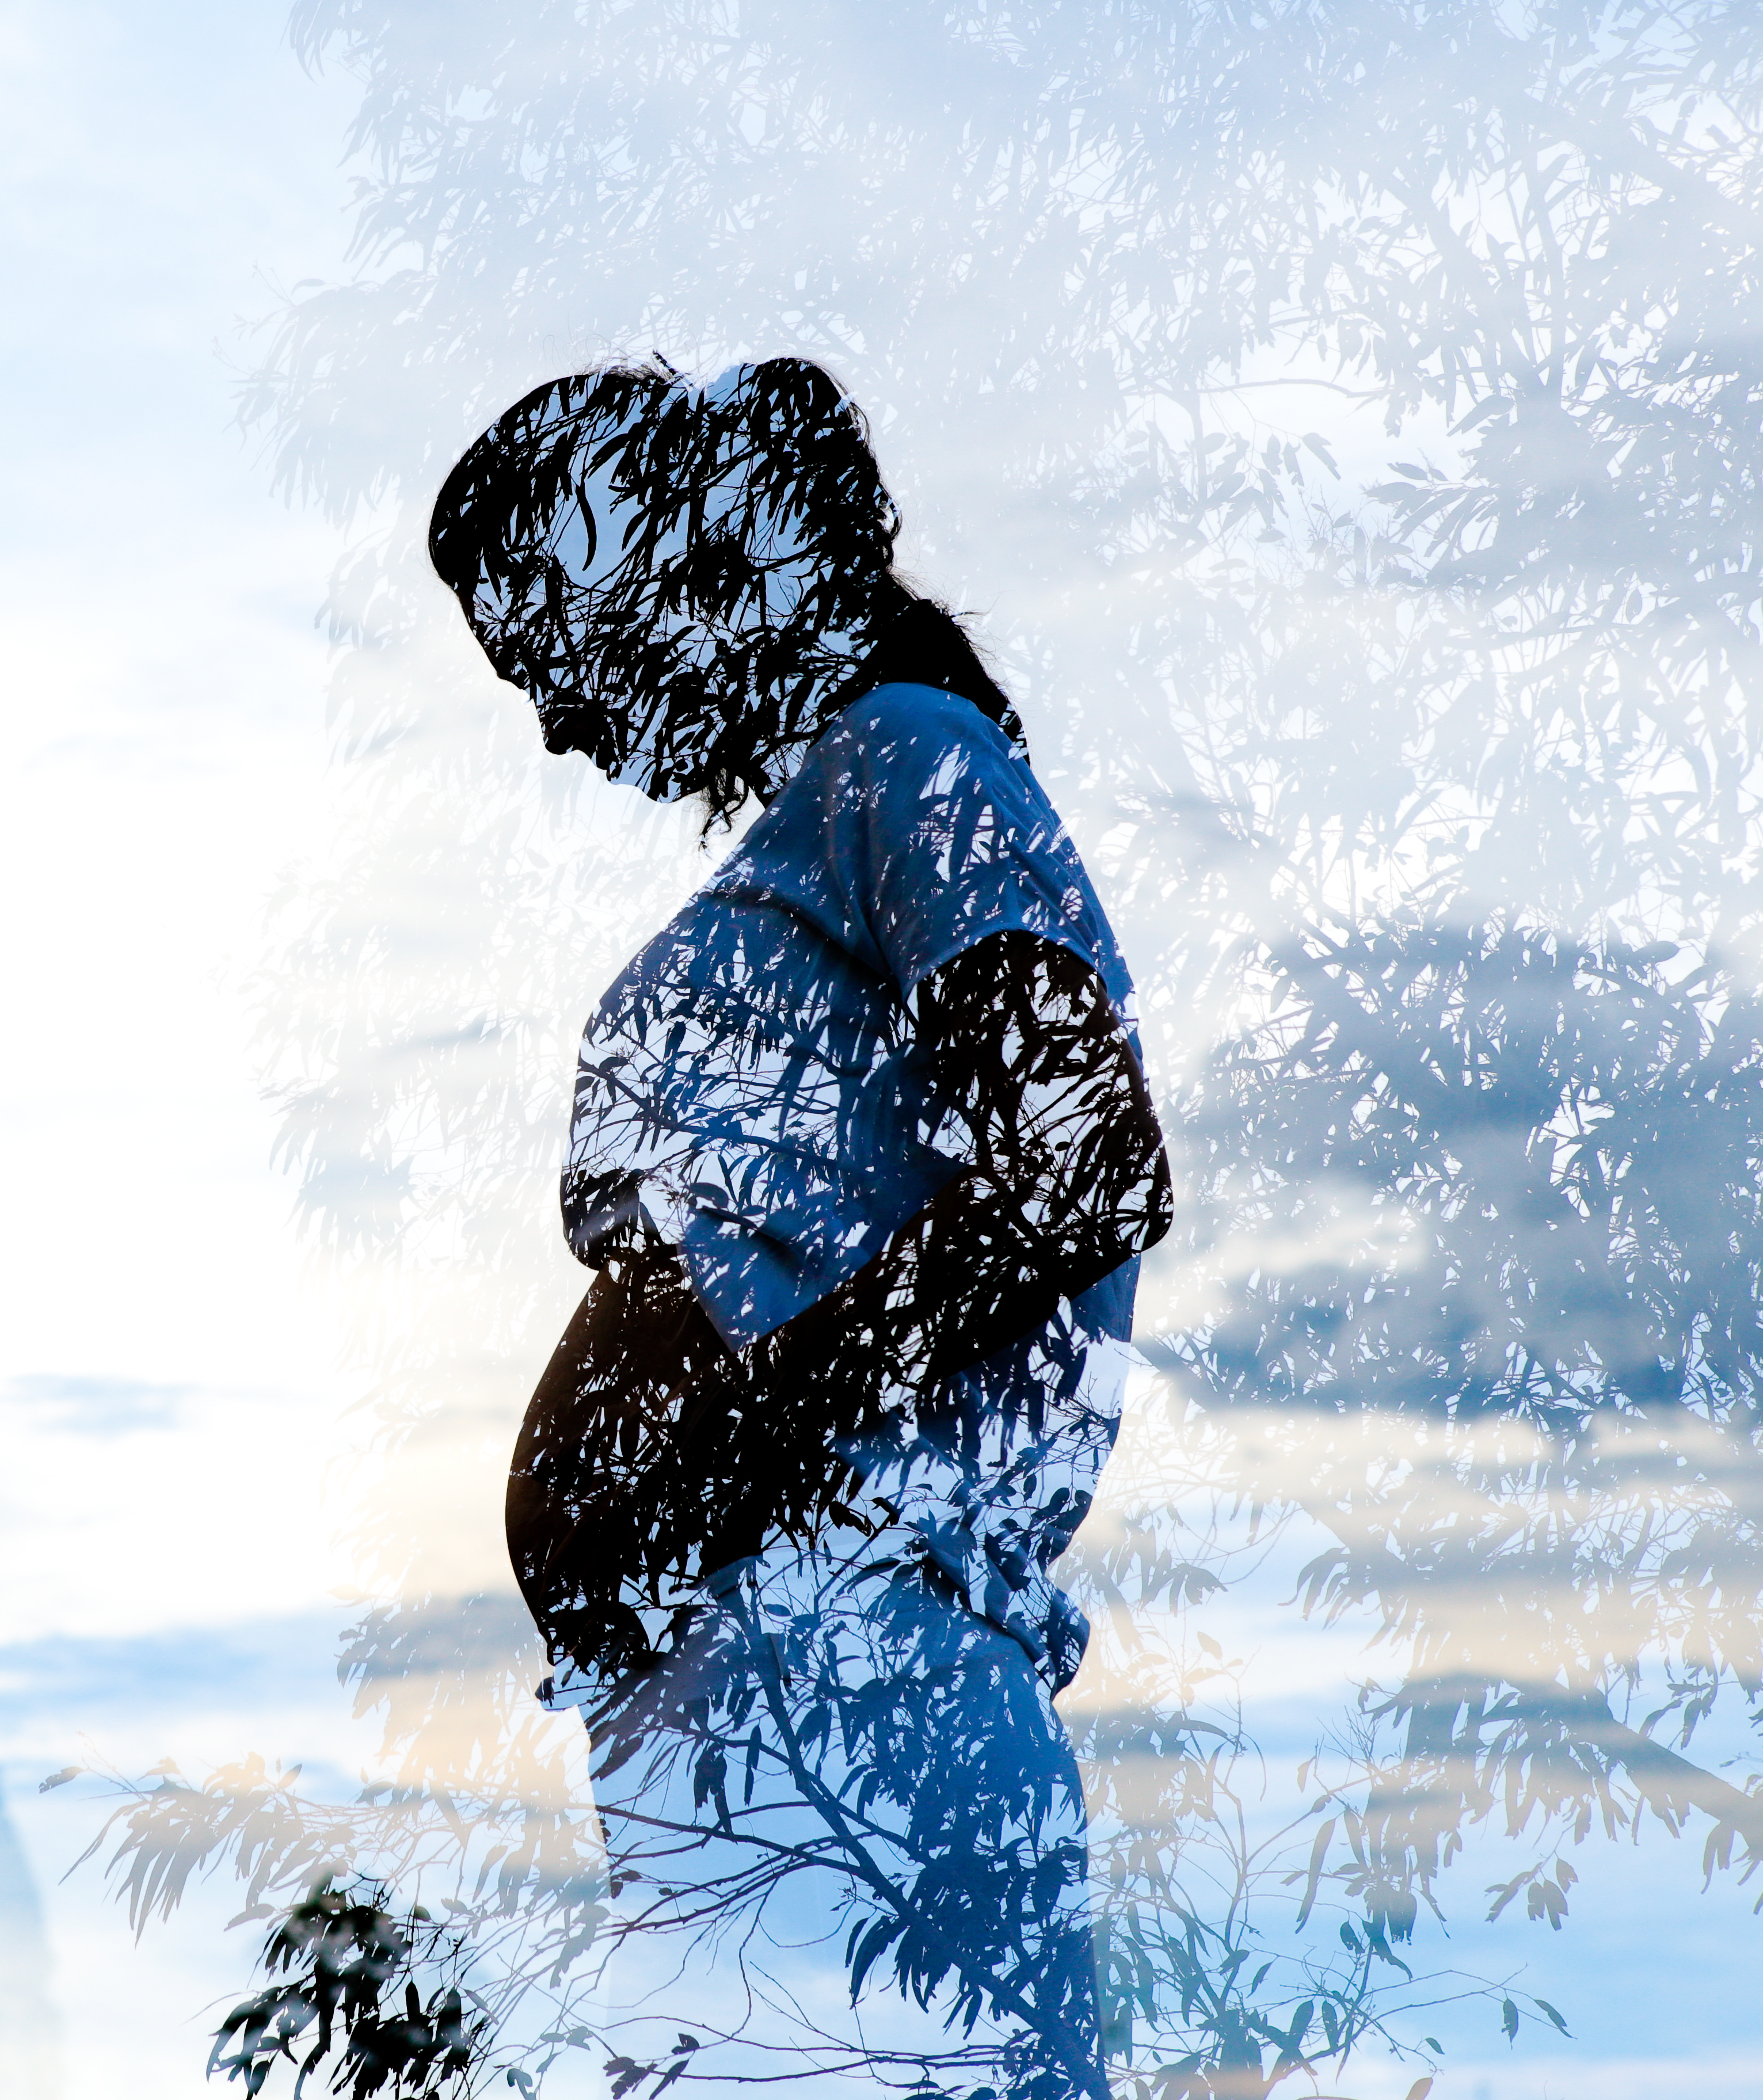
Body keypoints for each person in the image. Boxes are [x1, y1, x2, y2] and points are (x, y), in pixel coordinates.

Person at [429, 359, 1172, 2098]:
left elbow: (1081, 1165)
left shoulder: (905, 762)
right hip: (744, 1751)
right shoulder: (821, 823)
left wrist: (748, 1428)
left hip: (864, 1702)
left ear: (681, 577)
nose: (551, 725)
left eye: (556, 658)